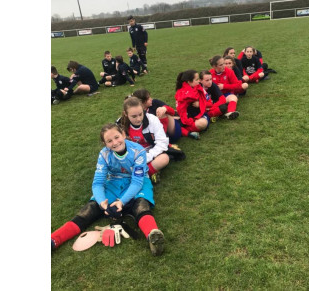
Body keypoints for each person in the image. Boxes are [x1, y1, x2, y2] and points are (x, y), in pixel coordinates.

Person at [51, 123, 165, 256]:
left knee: (141, 205)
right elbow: (98, 183)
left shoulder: (138, 151)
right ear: (104, 143)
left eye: (117, 137)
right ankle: (53, 240)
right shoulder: (104, 154)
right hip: (114, 182)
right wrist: (101, 202)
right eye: (109, 141)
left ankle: (153, 235)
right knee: (89, 209)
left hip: (138, 182)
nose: (115, 143)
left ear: (123, 134)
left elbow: (137, 182)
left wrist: (121, 201)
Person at [117, 97, 170, 184]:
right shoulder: (120, 124)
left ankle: (134, 177)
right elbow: (115, 146)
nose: (138, 119)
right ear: (125, 114)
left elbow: (162, 143)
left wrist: (146, 157)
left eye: (140, 114)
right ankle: (147, 174)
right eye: (134, 116)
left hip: (150, 154)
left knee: (164, 159)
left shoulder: (152, 119)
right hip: (131, 157)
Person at [175, 70, 210, 140]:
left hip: (200, 115)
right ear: (189, 82)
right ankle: (183, 129)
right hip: (187, 116)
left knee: (203, 123)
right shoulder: (181, 93)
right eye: (196, 80)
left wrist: (200, 104)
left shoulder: (200, 89)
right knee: (170, 119)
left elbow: (209, 103)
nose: (199, 81)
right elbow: (180, 109)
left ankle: (181, 130)